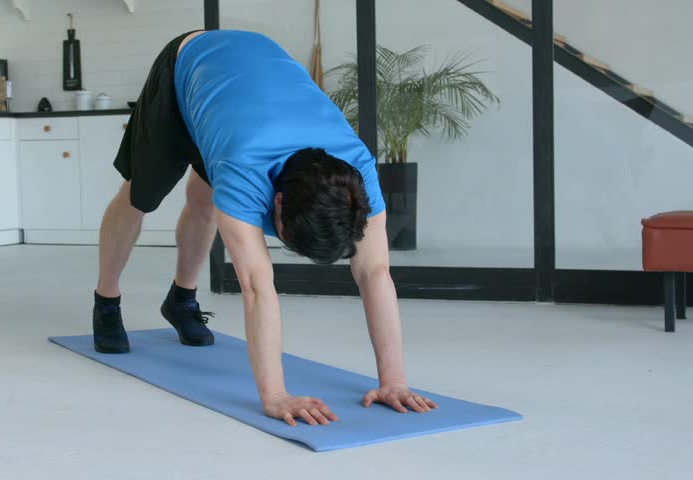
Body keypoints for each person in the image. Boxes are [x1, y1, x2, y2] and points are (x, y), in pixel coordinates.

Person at [91, 29, 438, 427]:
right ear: (276, 201)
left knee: (205, 200)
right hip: (187, 67)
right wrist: (275, 395)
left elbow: (375, 271)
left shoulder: (356, 173)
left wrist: (393, 381)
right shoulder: (244, 168)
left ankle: (180, 301)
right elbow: (258, 287)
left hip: (243, 93)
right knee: (140, 198)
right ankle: (106, 301)